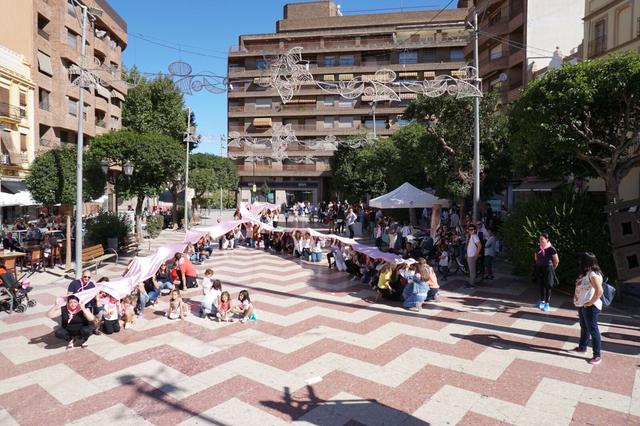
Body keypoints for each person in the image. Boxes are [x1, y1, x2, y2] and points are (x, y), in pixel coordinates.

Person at [573, 252, 604, 365]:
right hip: (583, 304)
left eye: (581, 260)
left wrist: (590, 302)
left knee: (593, 330)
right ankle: (582, 348)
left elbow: (599, 291)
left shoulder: (593, 274)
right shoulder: (588, 273)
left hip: (590, 306)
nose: (579, 262)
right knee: (584, 327)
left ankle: (597, 355)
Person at [534, 233, 559, 312]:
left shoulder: (551, 249)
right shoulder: (538, 247)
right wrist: (538, 263)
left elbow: (556, 261)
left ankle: (547, 304)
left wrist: (552, 269)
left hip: (548, 268)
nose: (540, 241)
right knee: (541, 284)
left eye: (542, 239)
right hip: (540, 267)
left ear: (547, 240)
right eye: (540, 239)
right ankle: (542, 301)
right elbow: (535, 257)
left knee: (548, 286)